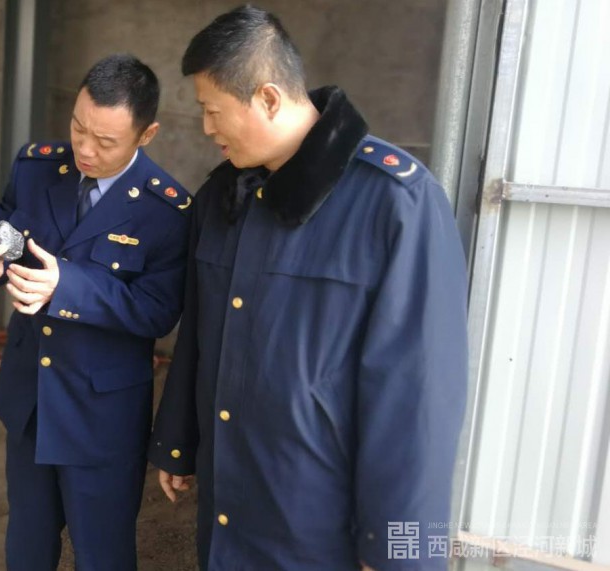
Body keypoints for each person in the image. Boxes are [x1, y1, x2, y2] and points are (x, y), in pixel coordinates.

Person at [148, 6, 468, 571]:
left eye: (213, 111)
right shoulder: (223, 197)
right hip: (228, 508)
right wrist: (178, 441)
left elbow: (418, 397)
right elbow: (197, 331)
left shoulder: (396, 203)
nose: (206, 128)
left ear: (269, 98)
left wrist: (399, 553)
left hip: (319, 523)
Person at [0, 54, 191, 571]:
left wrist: (69, 287)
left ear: (146, 135)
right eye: (78, 128)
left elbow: (157, 313)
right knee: (27, 544)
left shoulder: (167, 211)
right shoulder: (37, 168)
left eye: (105, 141)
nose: (84, 148)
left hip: (101, 416)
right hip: (30, 402)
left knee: (102, 553)